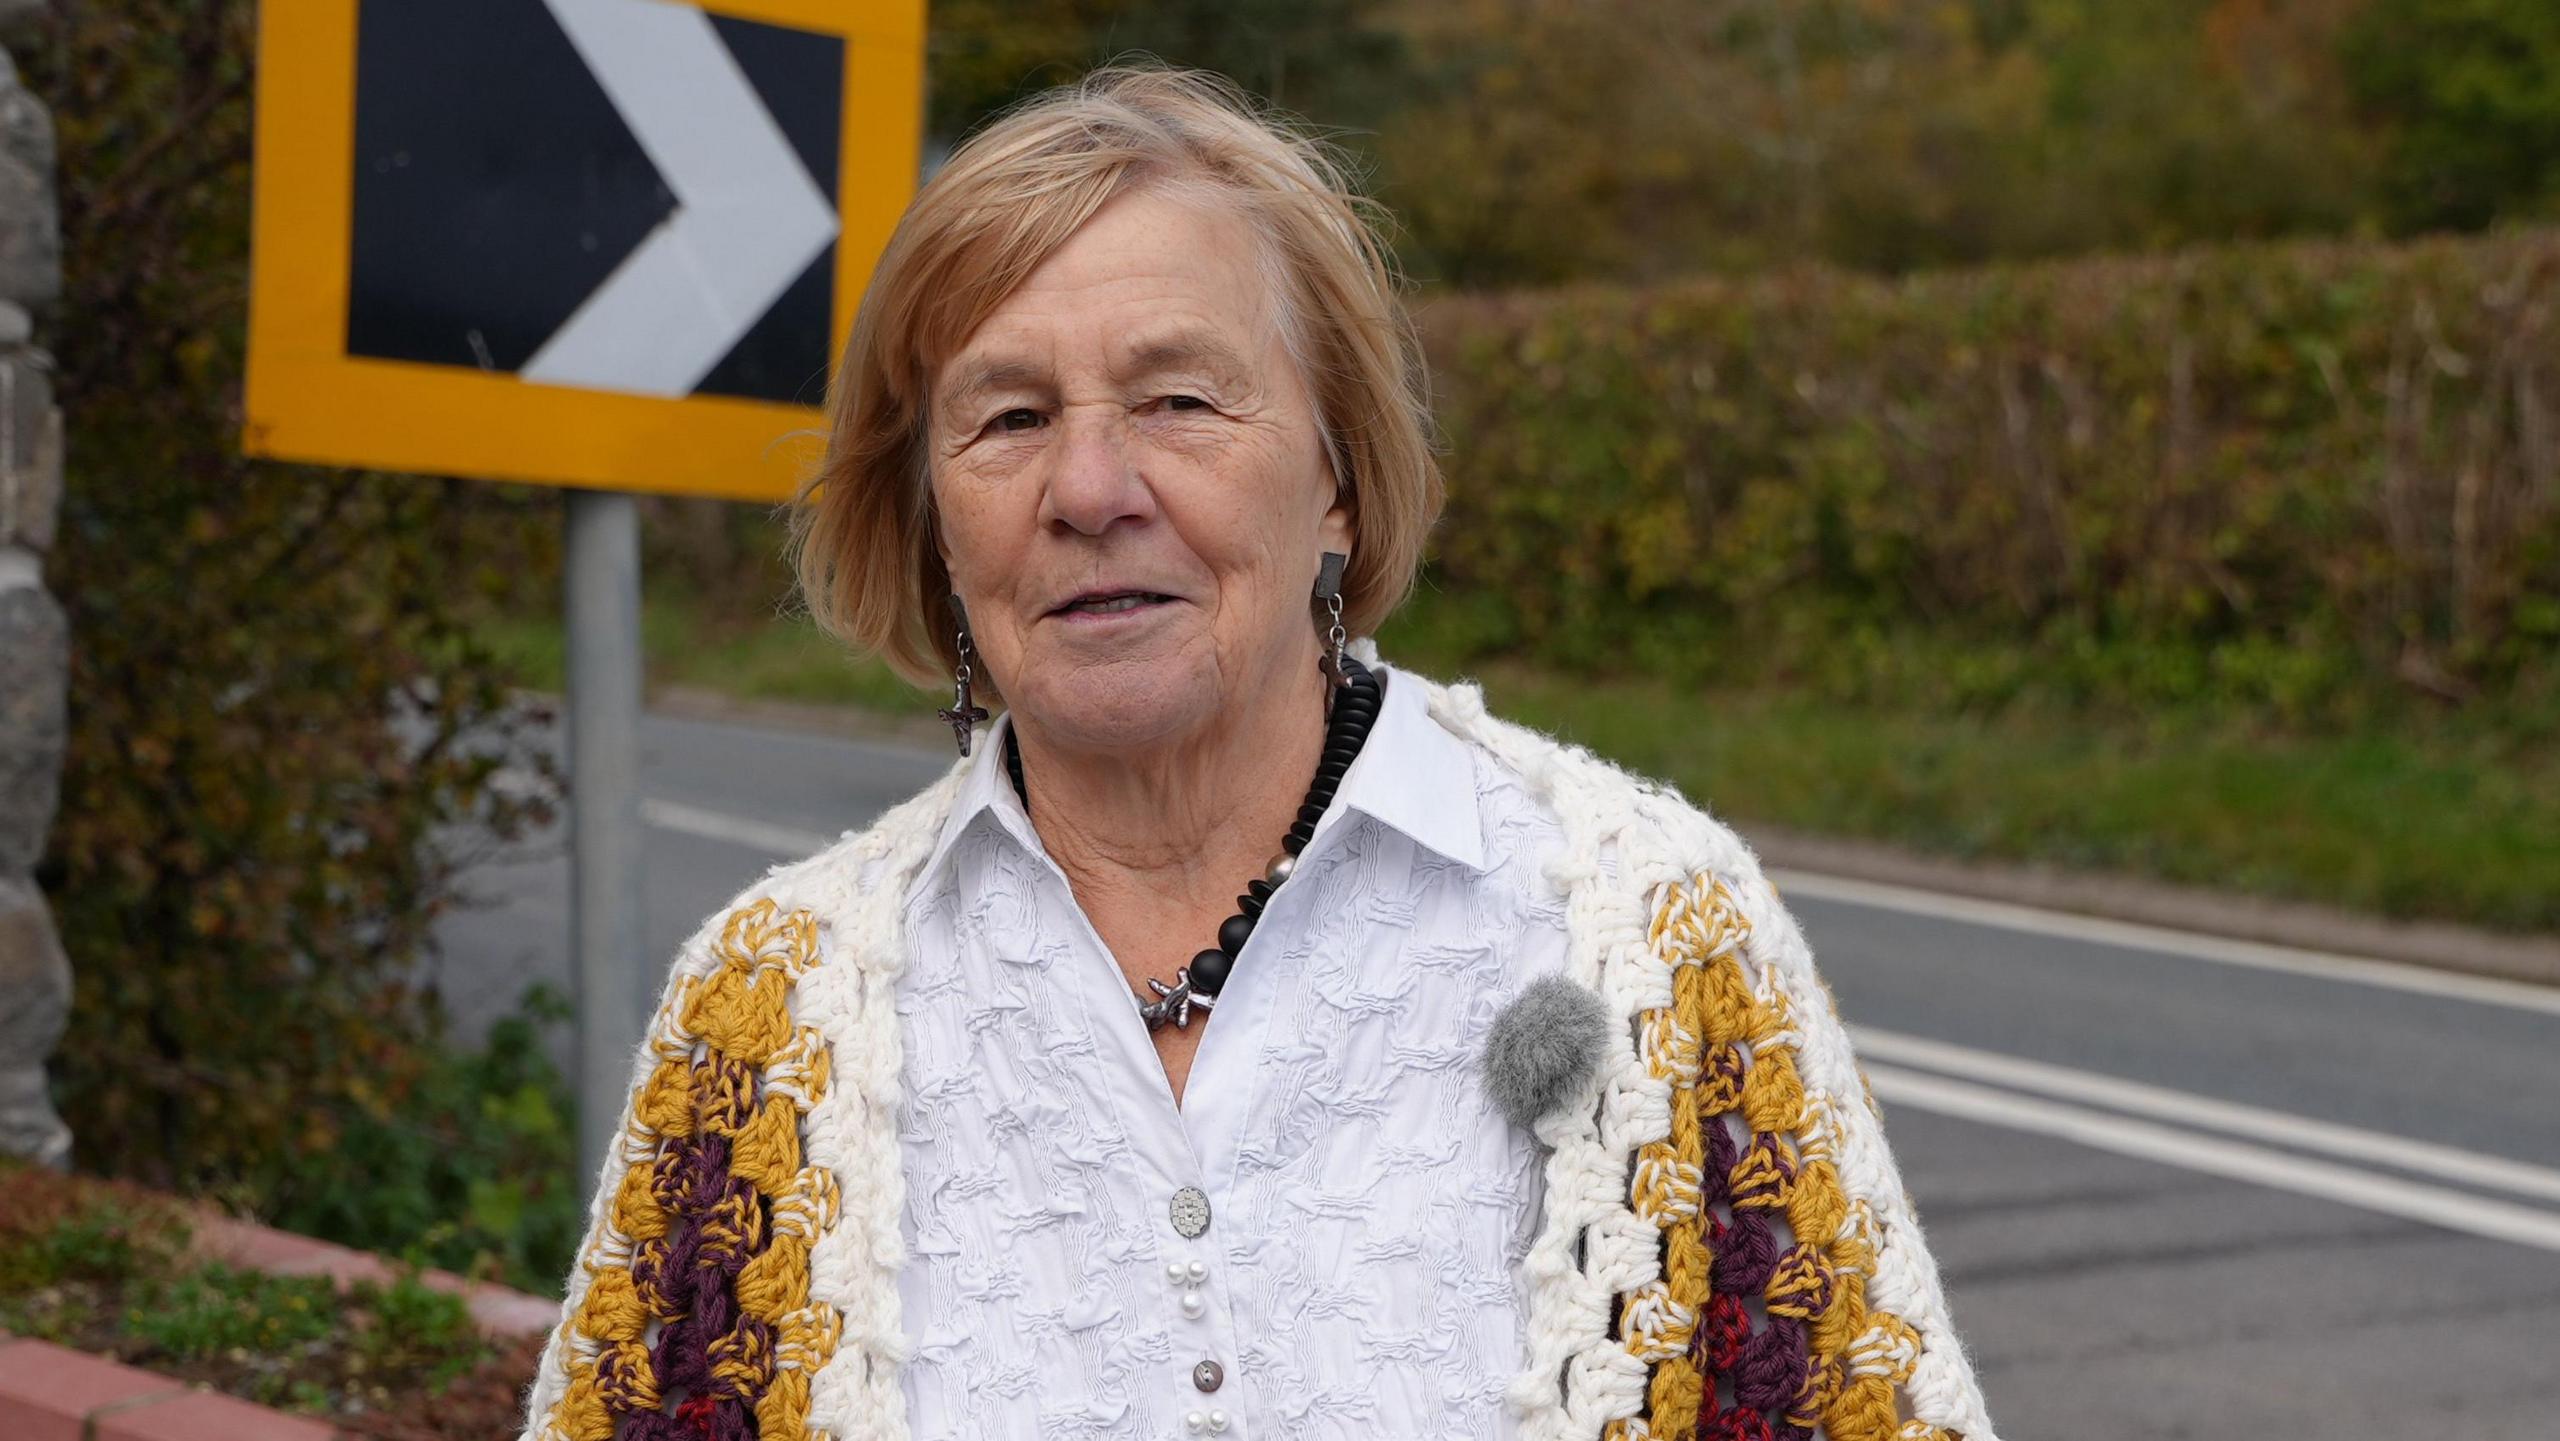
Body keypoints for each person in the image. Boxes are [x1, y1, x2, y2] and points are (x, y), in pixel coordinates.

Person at [515, 64, 1997, 1441]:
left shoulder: (1654, 938)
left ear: (1340, 479)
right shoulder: (765, 1012)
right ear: (930, 518)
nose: (1091, 488)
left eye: (1178, 398)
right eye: (1010, 417)